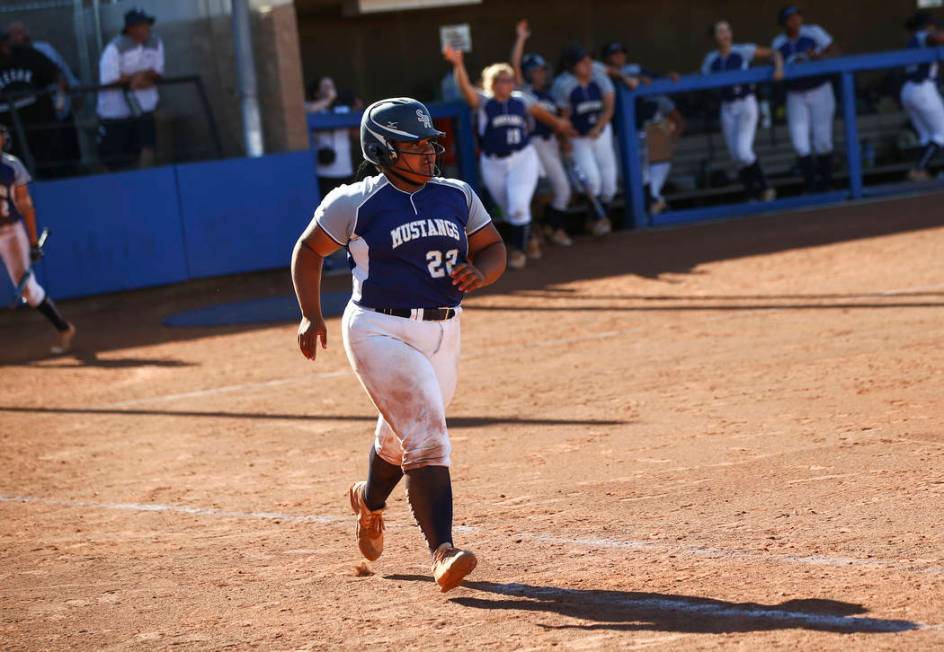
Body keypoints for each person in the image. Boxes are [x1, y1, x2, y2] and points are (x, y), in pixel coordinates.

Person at [291, 97, 506, 593]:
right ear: (384, 149)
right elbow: (309, 249)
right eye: (416, 146)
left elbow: (493, 247)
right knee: (428, 436)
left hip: (444, 329)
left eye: (431, 143)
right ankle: (443, 551)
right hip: (377, 329)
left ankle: (369, 499)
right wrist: (309, 313)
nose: (429, 153)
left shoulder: (457, 194)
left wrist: (483, 271)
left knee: (400, 436)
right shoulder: (354, 201)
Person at [444, 44, 572, 269]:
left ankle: (518, 251)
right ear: (492, 83)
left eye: (509, 80)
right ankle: (529, 236)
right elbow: (466, 90)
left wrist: (562, 127)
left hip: (522, 158)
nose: (507, 84)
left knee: (518, 207)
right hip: (493, 162)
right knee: (509, 207)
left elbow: (545, 117)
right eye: (501, 80)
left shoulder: (522, 100)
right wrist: (458, 64)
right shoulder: (485, 102)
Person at [0, 125, 75, 354]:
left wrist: (33, 242)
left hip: (10, 232)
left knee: (27, 290)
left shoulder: (12, 166)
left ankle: (63, 328)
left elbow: (25, 205)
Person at [702, 20, 784, 201]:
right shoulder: (711, 59)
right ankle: (751, 195)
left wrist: (778, 67)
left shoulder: (743, 50)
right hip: (727, 106)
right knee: (735, 155)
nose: (724, 35)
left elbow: (774, 53)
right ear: (714, 37)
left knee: (743, 151)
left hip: (745, 103)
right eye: (720, 32)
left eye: (727, 30)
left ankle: (766, 187)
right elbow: (702, 79)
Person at [600, 41, 683, 214]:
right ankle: (651, 203)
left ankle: (652, 201)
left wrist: (668, 77)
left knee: (651, 169)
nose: (619, 57)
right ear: (607, 58)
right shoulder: (602, 74)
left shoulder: (635, 69)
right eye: (614, 54)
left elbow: (655, 81)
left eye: (621, 53)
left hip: (648, 128)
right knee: (625, 175)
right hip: (620, 133)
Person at [510, 20, 573, 249]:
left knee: (561, 190)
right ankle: (542, 230)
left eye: (543, 70)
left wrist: (565, 140)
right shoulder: (523, 92)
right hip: (533, 145)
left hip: (551, 144)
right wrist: (521, 39)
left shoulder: (551, 95)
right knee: (539, 192)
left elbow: (561, 123)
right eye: (536, 71)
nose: (541, 74)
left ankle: (550, 227)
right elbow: (514, 65)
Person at [772, 5, 838, 192]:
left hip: (820, 89)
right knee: (800, 143)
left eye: (797, 16)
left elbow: (836, 52)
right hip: (795, 94)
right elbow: (773, 61)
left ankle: (825, 185)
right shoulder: (778, 42)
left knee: (823, 140)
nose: (795, 20)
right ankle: (811, 187)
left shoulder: (814, 32)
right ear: (783, 23)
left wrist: (819, 56)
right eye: (790, 18)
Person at [552, 44, 616, 236]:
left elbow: (609, 106)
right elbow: (563, 116)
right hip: (579, 137)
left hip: (601, 132)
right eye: (582, 62)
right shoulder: (563, 84)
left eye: (589, 60)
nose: (587, 65)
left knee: (610, 185)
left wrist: (598, 127)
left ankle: (599, 219)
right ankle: (596, 220)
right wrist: (566, 138)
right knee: (592, 181)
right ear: (571, 66)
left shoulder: (598, 75)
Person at [7, 21, 81, 176]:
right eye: (17, 34)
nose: (23, 36)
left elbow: (61, 76)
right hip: (17, 126)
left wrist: (63, 102)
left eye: (23, 32)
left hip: (50, 117)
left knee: (61, 160)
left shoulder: (42, 50)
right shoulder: (6, 60)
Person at [96, 8, 164, 170]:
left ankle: (146, 179)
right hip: (116, 114)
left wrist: (141, 77)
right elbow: (109, 79)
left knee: (147, 148)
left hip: (144, 109)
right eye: (142, 25)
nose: (147, 29)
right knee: (116, 157)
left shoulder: (156, 42)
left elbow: (157, 73)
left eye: (148, 25)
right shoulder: (114, 48)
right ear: (130, 28)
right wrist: (135, 79)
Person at [0, 31, 65, 178]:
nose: (6, 47)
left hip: (40, 121)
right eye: (2, 44)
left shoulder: (26, 54)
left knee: (51, 165)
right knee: (13, 171)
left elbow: (56, 74)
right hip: (8, 130)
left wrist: (60, 98)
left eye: (6, 42)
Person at [901, 10, 944, 182]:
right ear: (927, 25)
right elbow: (936, 38)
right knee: (942, 134)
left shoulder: (911, 41)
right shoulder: (922, 36)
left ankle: (921, 169)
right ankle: (918, 169)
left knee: (927, 136)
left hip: (908, 90)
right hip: (923, 88)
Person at [305, 77, 360, 200]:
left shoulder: (342, 109)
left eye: (331, 86)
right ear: (317, 92)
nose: (330, 90)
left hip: (345, 170)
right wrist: (328, 99)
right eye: (325, 86)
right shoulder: (313, 107)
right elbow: (306, 111)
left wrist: (356, 111)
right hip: (325, 172)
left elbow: (356, 136)